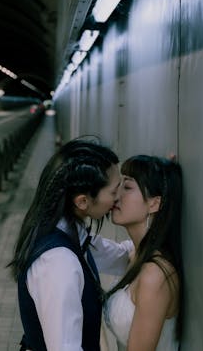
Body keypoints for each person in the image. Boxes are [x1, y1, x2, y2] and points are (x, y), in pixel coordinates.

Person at [9, 138, 131, 351]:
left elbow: (121, 256)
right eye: (114, 191)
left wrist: (156, 188)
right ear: (82, 201)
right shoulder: (59, 262)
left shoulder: (70, 232)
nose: (119, 197)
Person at [104, 155, 184, 351]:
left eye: (128, 187)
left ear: (154, 204)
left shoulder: (155, 274)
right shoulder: (135, 254)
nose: (116, 194)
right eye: (119, 184)